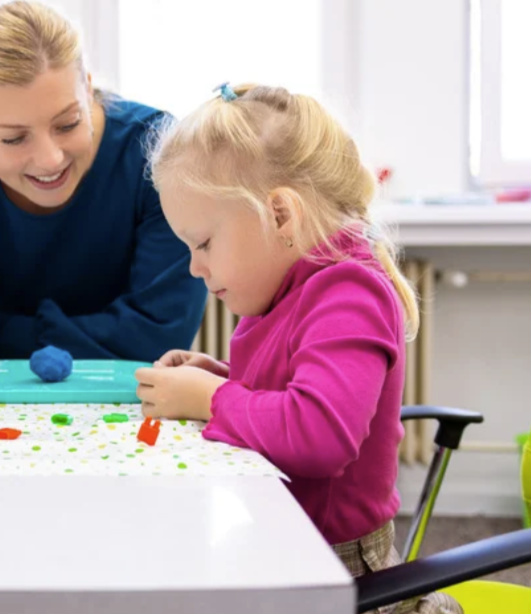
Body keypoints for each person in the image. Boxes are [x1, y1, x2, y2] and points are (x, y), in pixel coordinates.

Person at [138, 83, 461, 613]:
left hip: (345, 578)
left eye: (203, 243)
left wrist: (211, 399)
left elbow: (319, 432)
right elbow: (290, 384)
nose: (195, 268)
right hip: (287, 547)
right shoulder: (289, 286)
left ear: (280, 216)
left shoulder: (348, 291)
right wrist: (216, 374)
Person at [0, 0, 207, 404]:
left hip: (132, 408)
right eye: (13, 138)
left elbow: (159, 334)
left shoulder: (160, 154)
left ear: (88, 88)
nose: (50, 159)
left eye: (68, 123)